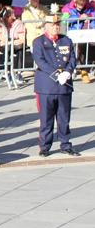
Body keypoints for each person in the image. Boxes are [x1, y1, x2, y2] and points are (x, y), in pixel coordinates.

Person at [32, 11, 81, 157]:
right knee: (46, 119)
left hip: (64, 85)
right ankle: (45, 146)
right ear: (46, 26)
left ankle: (65, 144)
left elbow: (72, 58)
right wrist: (56, 74)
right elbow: (40, 61)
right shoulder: (38, 42)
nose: (56, 27)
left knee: (64, 117)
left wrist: (68, 72)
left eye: (57, 24)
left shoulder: (66, 40)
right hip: (46, 86)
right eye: (53, 25)